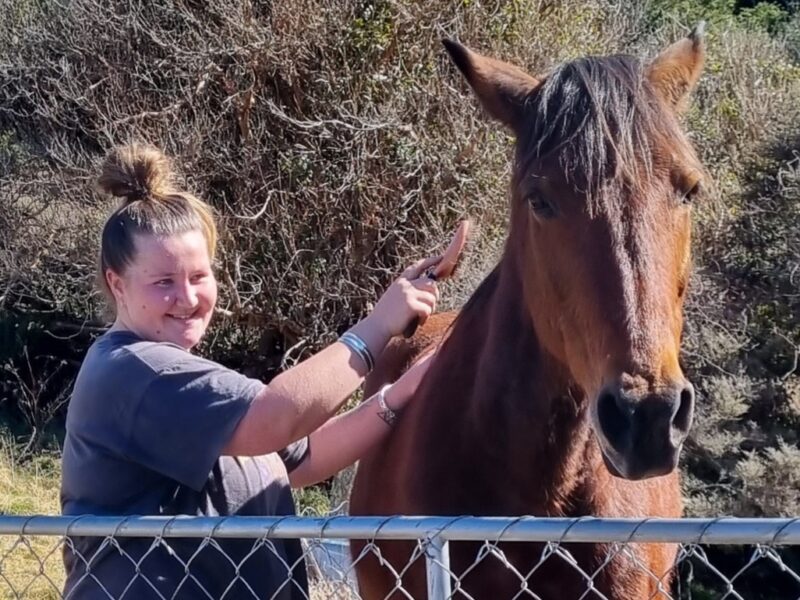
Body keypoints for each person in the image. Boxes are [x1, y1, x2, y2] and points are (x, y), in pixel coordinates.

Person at [60, 142, 441, 599]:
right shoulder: (133, 371)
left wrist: (404, 391)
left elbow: (303, 457)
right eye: (164, 282)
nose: (188, 298)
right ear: (116, 284)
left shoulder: (182, 380)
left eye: (199, 277)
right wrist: (377, 327)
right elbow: (274, 418)